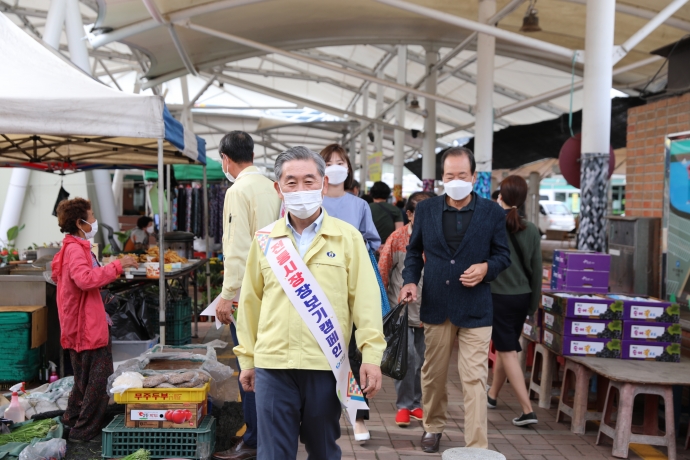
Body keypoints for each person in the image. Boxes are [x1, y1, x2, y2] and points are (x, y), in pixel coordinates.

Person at [234, 146, 386, 460]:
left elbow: (366, 303)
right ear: (278, 188)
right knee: (273, 453)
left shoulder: (348, 238)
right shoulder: (264, 241)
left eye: (308, 181)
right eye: (291, 182)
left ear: (323, 183)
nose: (300, 189)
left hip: (326, 366)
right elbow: (250, 304)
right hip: (273, 366)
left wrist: (371, 355)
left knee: (323, 451)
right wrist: (247, 359)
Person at [399, 147, 511, 453]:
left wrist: (487, 268)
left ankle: (476, 444)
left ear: (474, 176)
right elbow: (413, 252)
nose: (456, 180)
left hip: (476, 307)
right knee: (433, 373)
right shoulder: (427, 210)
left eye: (462, 175)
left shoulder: (492, 212)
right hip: (436, 303)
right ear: (441, 179)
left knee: (474, 378)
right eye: (450, 175)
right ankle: (432, 427)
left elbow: (503, 255)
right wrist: (410, 280)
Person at [213, 131, 282, 460]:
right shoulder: (271, 186)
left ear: (226, 158)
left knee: (249, 365)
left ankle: (254, 439)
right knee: (268, 364)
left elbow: (237, 248)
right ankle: (268, 433)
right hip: (274, 289)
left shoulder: (237, 190)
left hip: (248, 296)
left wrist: (227, 294)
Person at [51, 198, 138, 442]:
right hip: (86, 327)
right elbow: (85, 279)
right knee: (97, 383)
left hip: (80, 324)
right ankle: (84, 431)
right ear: (80, 223)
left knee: (83, 380)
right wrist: (117, 266)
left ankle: (71, 421)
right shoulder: (75, 250)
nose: (94, 221)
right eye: (91, 216)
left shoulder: (72, 247)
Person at [319, 143, 381, 442]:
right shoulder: (309, 202)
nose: (334, 166)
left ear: (348, 168)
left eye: (339, 161)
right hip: (314, 294)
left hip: (349, 293)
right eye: (328, 161)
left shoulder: (359, 206)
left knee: (352, 359)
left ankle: (358, 418)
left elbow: (372, 245)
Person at [487, 175, 542, 426]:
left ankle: (527, 410)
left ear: (501, 197)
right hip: (522, 299)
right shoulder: (531, 229)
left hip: (498, 298)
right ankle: (492, 394)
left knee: (507, 351)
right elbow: (537, 269)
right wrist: (533, 305)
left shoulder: (492, 225)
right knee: (505, 346)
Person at [378, 191, 434, 427]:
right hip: (401, 311)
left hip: (430, 312)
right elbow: (383, 272)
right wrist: (383, 310)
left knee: (424, 361)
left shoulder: (438, 239)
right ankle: (403, 405)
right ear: (409, 214)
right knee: (406, 358)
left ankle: (418, 404)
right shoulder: (398, 238)